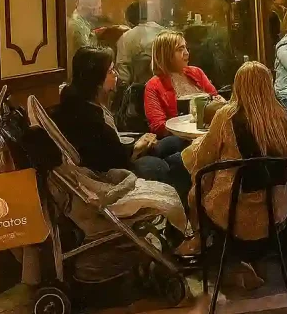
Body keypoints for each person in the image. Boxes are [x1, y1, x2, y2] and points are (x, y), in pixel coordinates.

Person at [180, 62, 287, 281]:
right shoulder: (281, 116)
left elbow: (204, 160)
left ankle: (212, 247)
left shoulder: (226, 116)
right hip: (275, 212)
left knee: (198, 186)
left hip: (233, 211)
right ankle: (255, 256)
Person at [53, 46, 191, 206]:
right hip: (113, 174)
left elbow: (109, 147)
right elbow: (112, 162)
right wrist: (138, 147)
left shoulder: (83, 102)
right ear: (96, 79)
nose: (116, 75)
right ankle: (180, 215)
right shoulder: (88, 118)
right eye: (111, 71)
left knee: (178, 141)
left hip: (118, 155)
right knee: (177, 160)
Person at [143, 31, 219, 137]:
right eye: (180, 49)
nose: (187, 53)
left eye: (185, 48)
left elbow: (215, 98)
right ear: (166, 54)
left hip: (206, 133)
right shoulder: (153, 85)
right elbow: (158, 126)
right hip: (177, 138)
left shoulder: (197, 72)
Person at [115, 1, 165, 85]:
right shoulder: (167, 33)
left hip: (140, 89)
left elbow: (123, 72)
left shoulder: (126, 38)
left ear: (129, 21)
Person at [67, 0, 101, 75]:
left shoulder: (83, 23)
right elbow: (87, 57)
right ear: (92, 8)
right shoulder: (78, 27)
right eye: (99, 6)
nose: (100, 10)